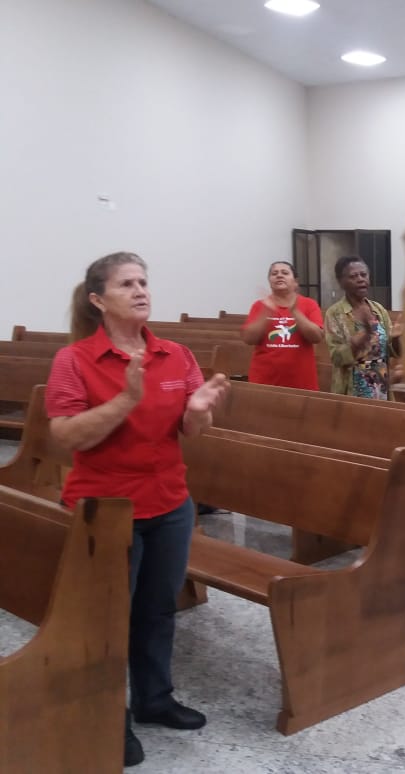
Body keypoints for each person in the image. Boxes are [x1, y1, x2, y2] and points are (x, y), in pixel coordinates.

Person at [45, 252, 229, 767]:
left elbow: (192, 431)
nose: (141, 289)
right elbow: (63, 437)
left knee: (157, 609)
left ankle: (154, 698)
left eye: (144, 281)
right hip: (105, 510)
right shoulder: (75, 360)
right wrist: (125, 400)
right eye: (127, 283)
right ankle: (110, 714)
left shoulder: (175, 354)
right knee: (108, 618)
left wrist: (197, 413)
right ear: (99, 300)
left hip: (169, 504)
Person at [324, 256, 399, 398]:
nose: (360, 279)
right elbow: (337, 357)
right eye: (353, 276)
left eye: (364, 275)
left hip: (381, 388)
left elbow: (391, 351)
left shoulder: (378, 309)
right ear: (341, 282)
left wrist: (397, 338)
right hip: (352, 390)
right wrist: (363, 336)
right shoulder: (335, 313)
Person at [241, 261, 324, 390]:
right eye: (274, 273)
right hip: (263, 381)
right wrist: (265, 314)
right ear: (269, 281)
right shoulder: (259, 305)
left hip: (301, 383)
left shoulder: (309, 304)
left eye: (285, 273)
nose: (279, 276)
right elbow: (248, 339)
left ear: (295, 282)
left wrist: (295, 312)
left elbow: (317, 337)